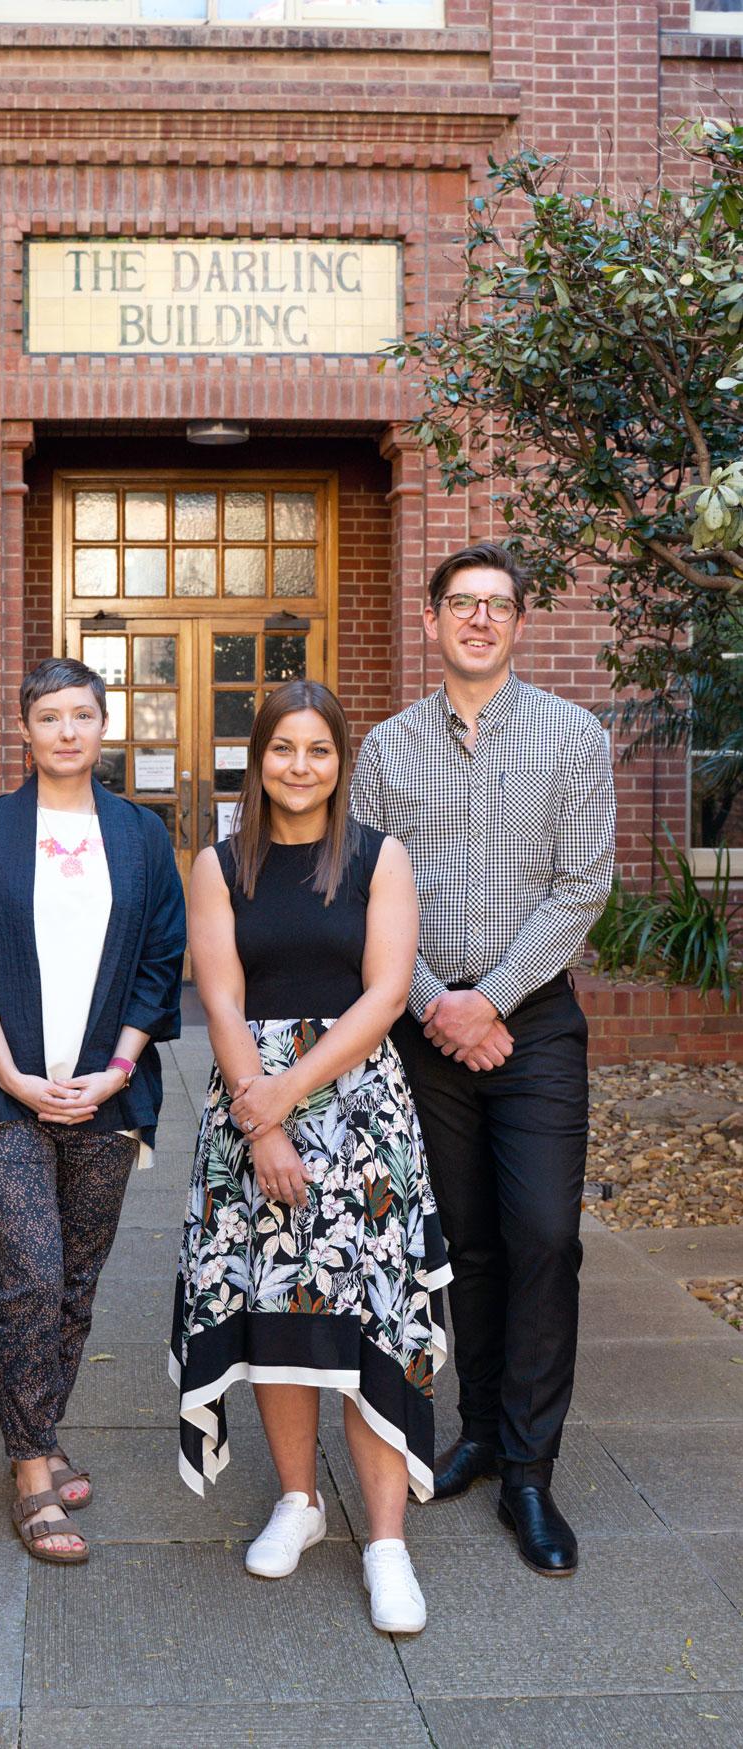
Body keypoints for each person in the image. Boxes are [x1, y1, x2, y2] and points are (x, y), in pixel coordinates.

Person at [354, 542, 616, 1578]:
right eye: (458, 604)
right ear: (430, 623)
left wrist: (489, 1002)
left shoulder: (571, 736)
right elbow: (369, 890)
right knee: (463, 1238)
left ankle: (529, 1471)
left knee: (545, 1234)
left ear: (517, 625)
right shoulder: (383, 749)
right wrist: (435, 1006)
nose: (475, 620)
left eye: (494, 606)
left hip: (532, 1024)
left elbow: (580, 887)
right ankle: (476, 1430)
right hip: (425, 1024)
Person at [171, 679, 451, 1635]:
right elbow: (220, 997)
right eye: (283, 748)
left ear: (341, 761)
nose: (300, 766)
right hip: (252, 1103)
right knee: (278, 1306)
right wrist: (265, 1123)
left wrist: (291, 1094)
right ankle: (298, 1499)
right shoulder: (218, 863)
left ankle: (386, 1543)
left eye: (318, 750)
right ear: (261, 758)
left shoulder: (378, 857)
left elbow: (382, 996)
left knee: (369, 1315)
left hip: (359, 1109)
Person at [0, 656, 185, 1566]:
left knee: (77, 1282)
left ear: (103, 723)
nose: (68, 732)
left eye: (83, 715)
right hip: (0, 1089)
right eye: (49, 717)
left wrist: (119, 1069)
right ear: (25, 728)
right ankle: (30, 1471)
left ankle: (43, 1428)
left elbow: (164, 956)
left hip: (108, 1094)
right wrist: (8, 1070)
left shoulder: (139, 834)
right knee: (34, 1273)